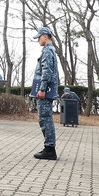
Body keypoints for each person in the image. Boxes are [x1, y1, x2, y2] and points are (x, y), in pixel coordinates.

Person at [32, 27, 60, 160]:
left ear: (45, 36)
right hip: (47, 89)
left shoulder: (48, 51)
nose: (38, 40)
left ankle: (49, 149)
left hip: (45, 90)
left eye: (39, 37)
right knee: (45, 118)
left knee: (45, 118)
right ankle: (49, 147)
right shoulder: (50, 50)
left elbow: (46, 71)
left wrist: (42, 89)